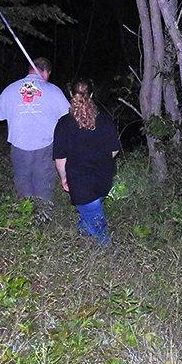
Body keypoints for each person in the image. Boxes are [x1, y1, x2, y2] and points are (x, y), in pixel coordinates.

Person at [52, 79, 121, 246]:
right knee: (90, 210)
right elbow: (114, 150)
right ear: (91, 94)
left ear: (70, 95)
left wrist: (64, 178)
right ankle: (82, 237)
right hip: (104, 178)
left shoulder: (63, 124)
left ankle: (107, 253)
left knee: (98, 227)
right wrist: (100, 160)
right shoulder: (104, 120)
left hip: (80, 182)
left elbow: (60, 159)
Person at [0, 58, 70, 206]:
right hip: (46, 147)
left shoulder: (10, 89)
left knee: (22, 180)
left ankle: (25, 216)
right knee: (44, 182)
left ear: (30, 69)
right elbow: (69, 116)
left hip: (19, 146)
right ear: (46, 72)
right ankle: (43, 216)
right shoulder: (53, 90)